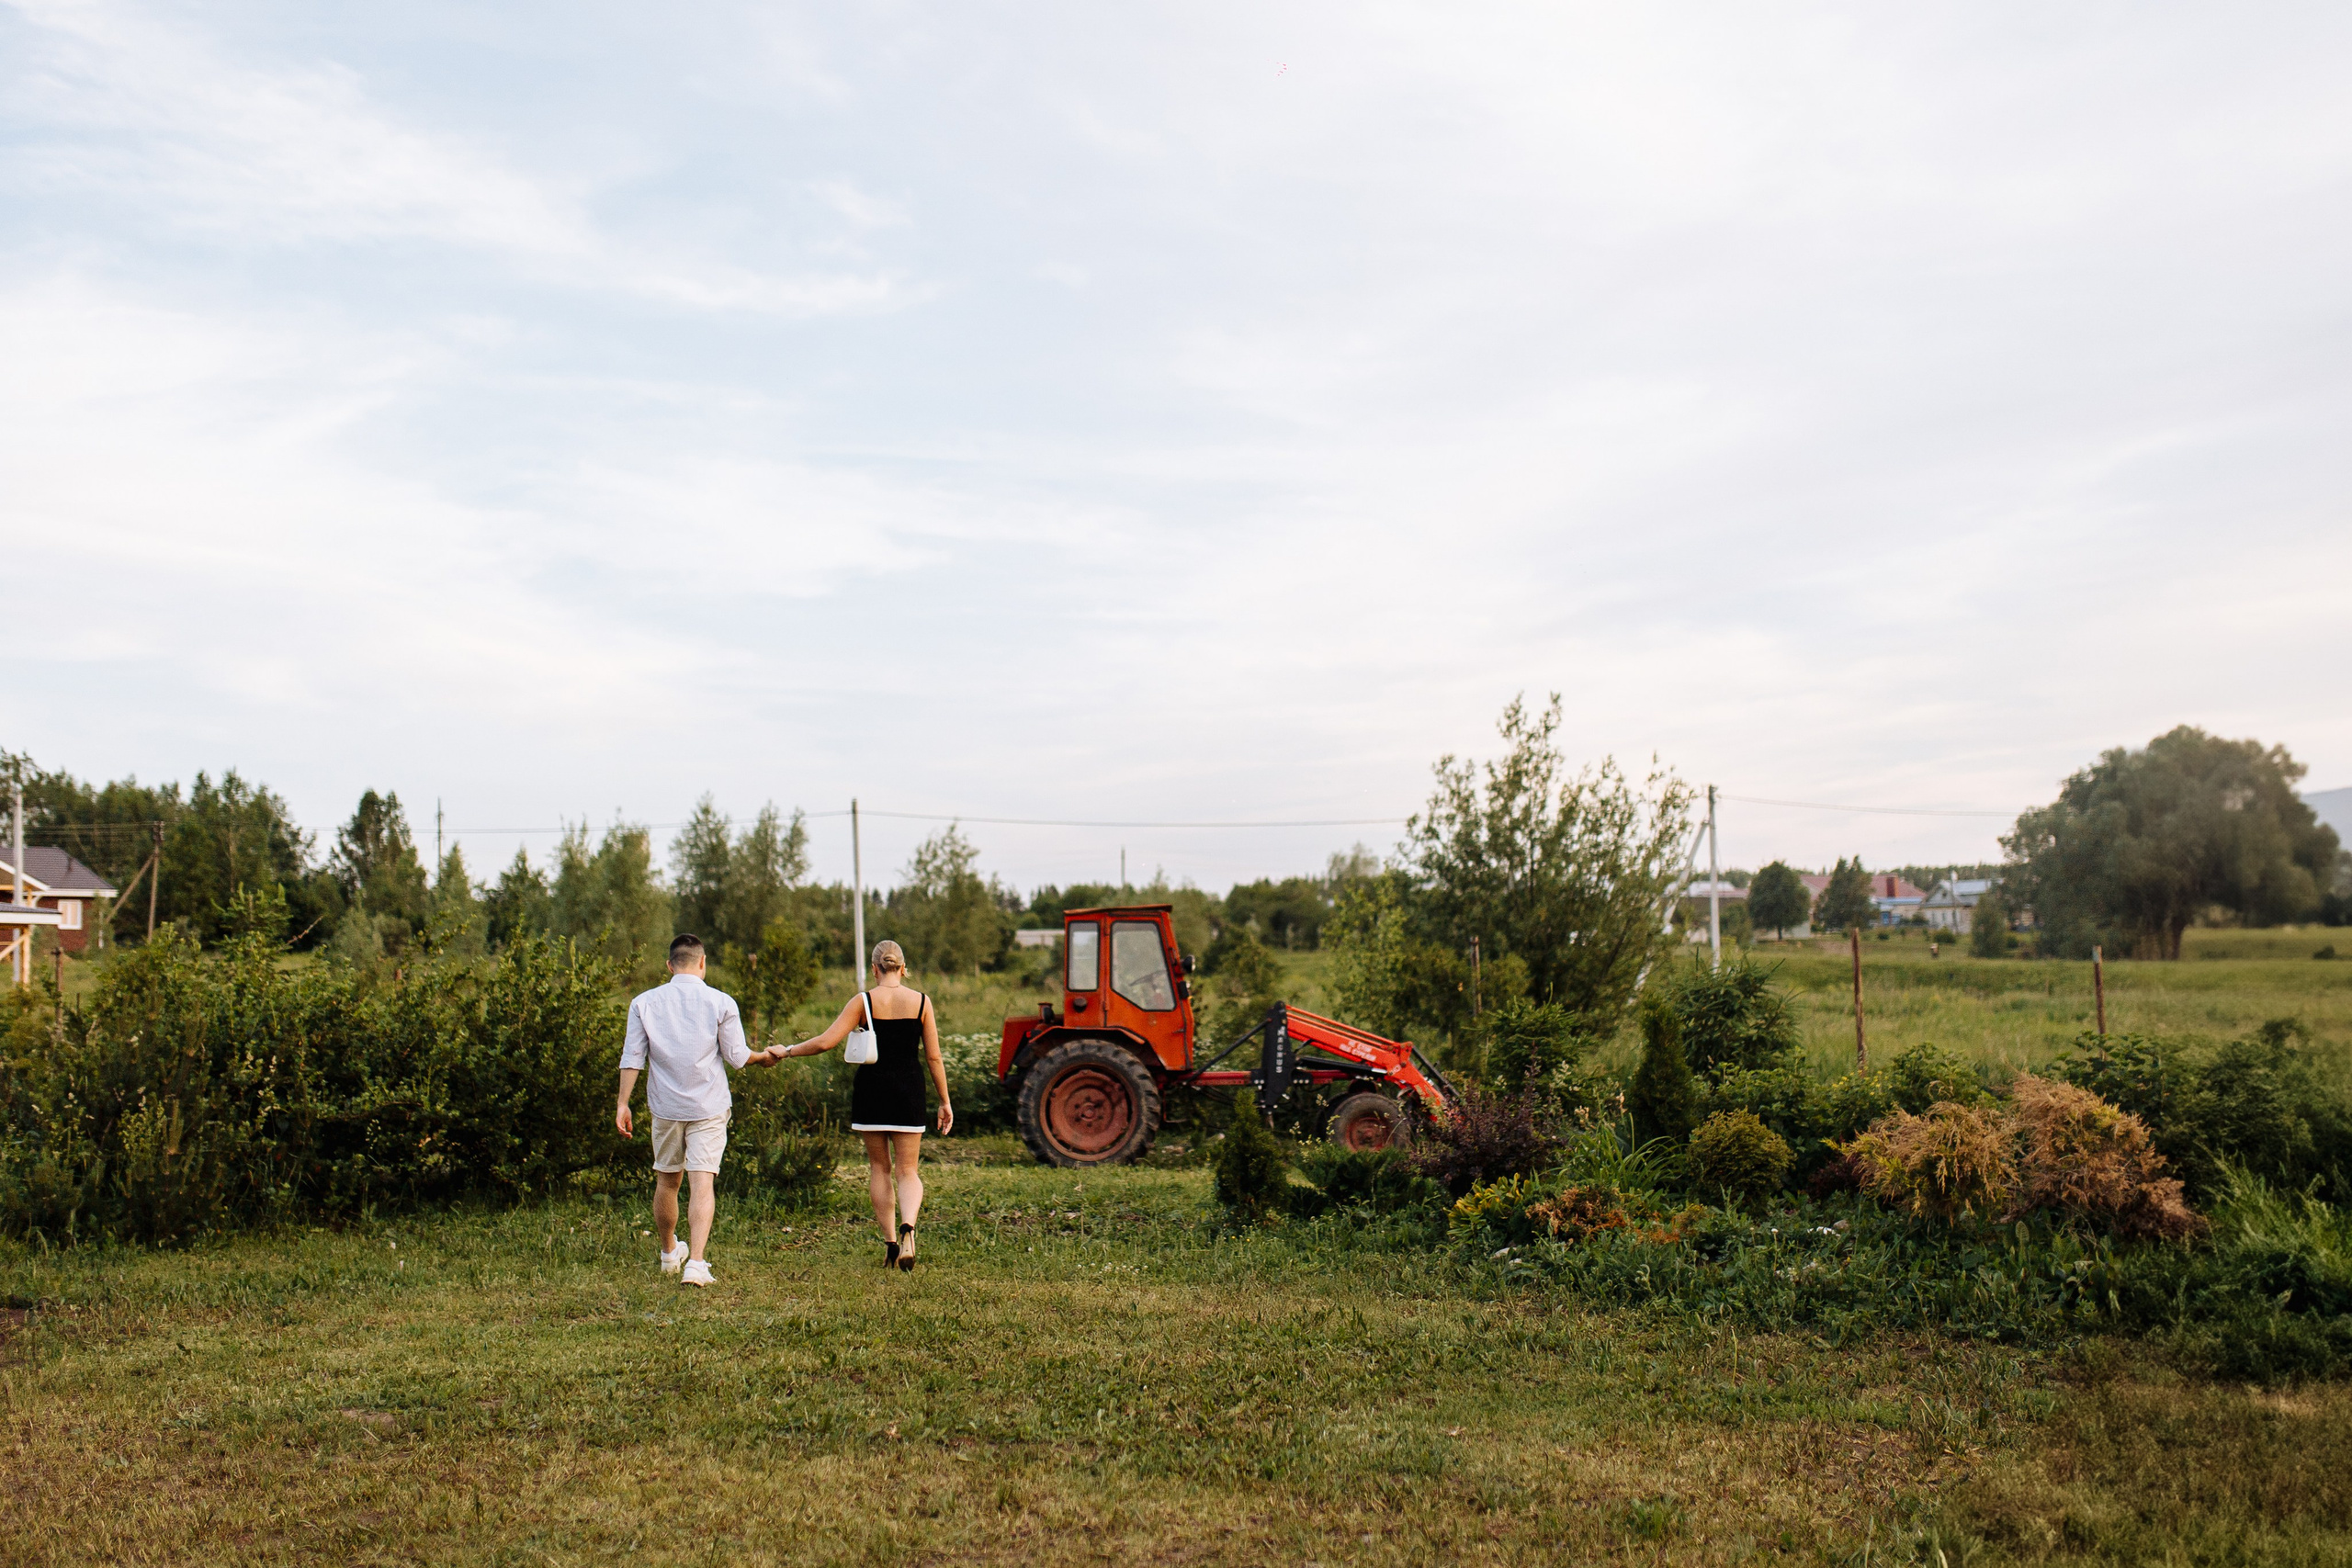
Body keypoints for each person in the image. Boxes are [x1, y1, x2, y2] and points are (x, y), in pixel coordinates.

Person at [774, 940, 952, 1270]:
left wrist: (786, 1050)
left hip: (872, 1091)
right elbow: (934, 1056)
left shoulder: (864, 1001)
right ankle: (909, 1227)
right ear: (902, 967)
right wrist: (945, 1101)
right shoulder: (922, 1002)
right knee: (908, 1170)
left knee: (879, 1168)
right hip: (909, 1092)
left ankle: (890, 1244)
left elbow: (826, 1042)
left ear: (875, 968)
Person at [616, 932, 755, 1288]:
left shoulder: (643, 1003)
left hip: (665, 1106)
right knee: (701, 1183)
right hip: (708, 1105)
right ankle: (695, 1262)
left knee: (667, 1179)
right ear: (703, 963)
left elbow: (633, 1057)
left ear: (669, 965)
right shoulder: (721, 1002)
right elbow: (738, 1058)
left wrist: (622, 1103)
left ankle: (667, 1254)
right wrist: (767, 1056)